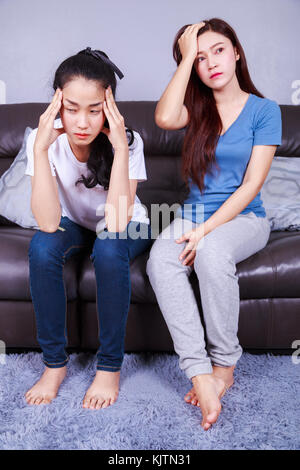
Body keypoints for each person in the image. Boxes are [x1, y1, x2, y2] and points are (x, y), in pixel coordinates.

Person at [146, 18, 282, 430]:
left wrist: (204, 232)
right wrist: (187, 58)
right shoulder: (197, 111)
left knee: (211, 255)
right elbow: (165, 117)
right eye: (201, 57)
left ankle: (225, 364)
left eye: (218, 50)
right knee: (159, 260)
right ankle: (200, 373)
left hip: (245, 217)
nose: (211, 62)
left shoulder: (265, 110)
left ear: (237, 52)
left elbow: (250, 186)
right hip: (193, 212)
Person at [24, 48, 152, 409]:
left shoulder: (128, 142)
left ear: (109, 109)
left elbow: (115, 223)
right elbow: (49, 222)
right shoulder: (43, 140)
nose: (82, 122)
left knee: (110, 247)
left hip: (127, 223)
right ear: (57, 105)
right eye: (72, 108)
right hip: (76, 224)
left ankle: (109, 366)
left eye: (95, 110)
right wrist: (40, 150)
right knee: (41, 247)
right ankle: (54, 364)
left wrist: (120, 149)